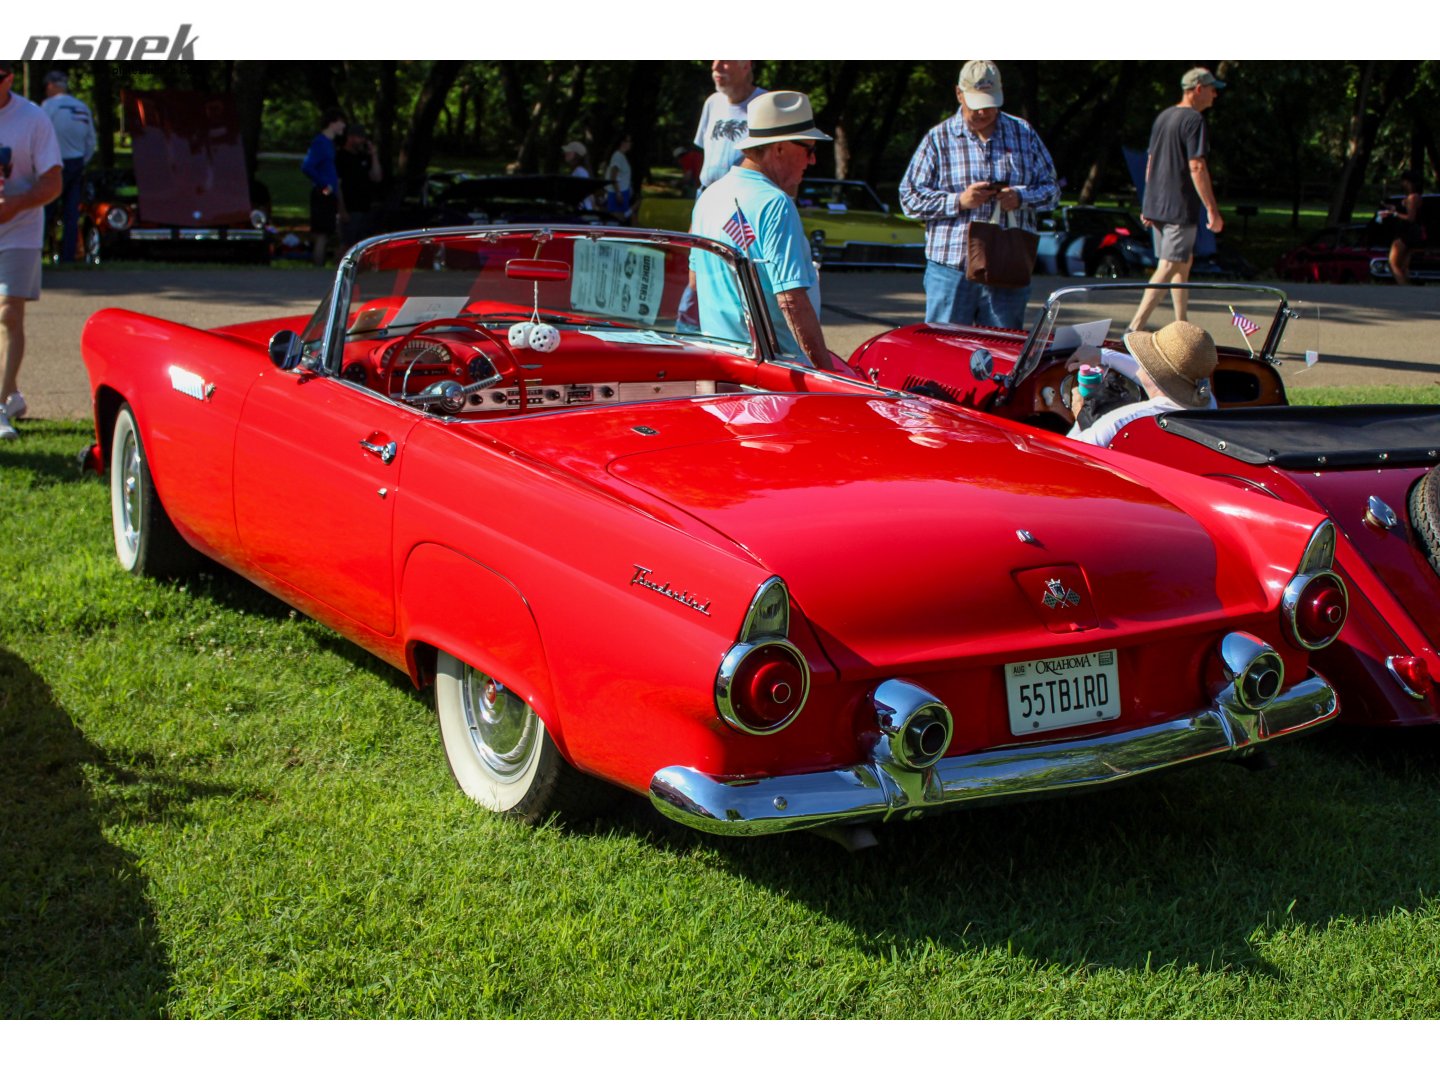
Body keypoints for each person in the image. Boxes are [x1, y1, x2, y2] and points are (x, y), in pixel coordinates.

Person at [900, 60, 1059, 330]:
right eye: (976, 104)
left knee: (1002, 349)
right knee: (944, 347)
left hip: (1007, 265)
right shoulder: (938, 138)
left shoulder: (1024, 133)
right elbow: (909, 198)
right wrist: (959, 201)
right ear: (959, 94)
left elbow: (1052, 191)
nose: (984, 111)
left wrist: (1020, 198)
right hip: (951, 266)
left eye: (990, 103)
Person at [689, 90, 832, 368]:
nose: (812, 160)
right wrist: (827, 374)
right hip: (774, 370)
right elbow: (791, 301)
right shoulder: (774, 203)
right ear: (779, 148)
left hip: (722, 363)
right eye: (809, 149)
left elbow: (695, 281)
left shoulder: (709, 196)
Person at [1128, 68, 1226, 332]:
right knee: (1169, 264)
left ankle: (1182, 325)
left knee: (1182, 264)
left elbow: (1150, 161)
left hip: (1158, 206)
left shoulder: (1164, 116)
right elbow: (1197, 166)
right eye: (1212, 89)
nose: (1215, 95)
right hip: (1178, 207)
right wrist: (1212, 210)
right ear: (1198, 89)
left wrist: (1148, 202)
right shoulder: (1194, 120)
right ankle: (1133, 329)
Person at [0, 62, 63, 441]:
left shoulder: (32, 118)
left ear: (8, 77)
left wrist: (15, 204)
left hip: (18, 228)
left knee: (8, 313)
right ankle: (11, 393)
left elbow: (53, 182)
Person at [1062, 321, 1218, 448]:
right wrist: (1103, 355)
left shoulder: (1121, 423)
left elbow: (1067, 453)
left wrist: (1081, 413)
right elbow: (1150, 376)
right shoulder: (1208, 402)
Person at [40, 70, 94, 265]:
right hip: (77, 162)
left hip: (54, 163)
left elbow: (40, 135)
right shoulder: (82, 107)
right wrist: (82, 161)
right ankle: (68, 256)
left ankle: (37, 251)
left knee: (45, 210)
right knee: (71, 212)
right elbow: (91, 141)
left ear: (51, 86)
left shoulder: (48, 106)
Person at [694, 61, 765, 193]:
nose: (715, 66)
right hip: (706, 194)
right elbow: (703, 154)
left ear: (746, 66)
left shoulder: (765, 104)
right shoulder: (712, 102)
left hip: (744, 197)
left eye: (725, 60)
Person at [301, 108, 347, 267]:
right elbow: (307, 166)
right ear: (332, 123)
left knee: (330, 233)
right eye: (341, 122)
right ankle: (318, 267)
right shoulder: (320, 142)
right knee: (322, 234)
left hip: (330, 193)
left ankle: (324, 266)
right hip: (323, 193)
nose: (343, 126)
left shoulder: (329, 144)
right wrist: (324, 184)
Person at [336, 124, 382, 250]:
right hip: (350, 208)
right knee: (347, 245)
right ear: (350, 137)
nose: (362, 141)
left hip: (365, 207)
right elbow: (337, 184)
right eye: (359, 138)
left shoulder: (363, 156)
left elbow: (377, 177)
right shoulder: (340, 156)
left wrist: (373, 155)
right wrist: (341, 209)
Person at [1384, 169, 1426, 285]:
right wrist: (1395, 208)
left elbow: (1411, 218)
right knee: (1404, 265)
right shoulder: (1416, 197)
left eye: (1404, 181)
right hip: (1413, 233)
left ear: (1408, 182)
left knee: (1392, 263)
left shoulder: (1412, 198)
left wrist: (1395, 214)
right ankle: (1408, 287)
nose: (1402, 184)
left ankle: (1403, 287)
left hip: (1406, 232)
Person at [605, 134, 634, 222]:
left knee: (621, 220)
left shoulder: (622, 156)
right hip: (617, 194)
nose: (630, 144)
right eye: (628, 141)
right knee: (617, 220)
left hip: (623, 192)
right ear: (622, 143)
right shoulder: (617, 156)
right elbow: (613, 175)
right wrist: (618, 193)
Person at [561, 141, 595, 210]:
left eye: (569, 151)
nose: (565, 153)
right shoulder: (577, 171)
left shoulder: (580, 171)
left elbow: (588, 193)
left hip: (583, 211)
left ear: (576, 155)